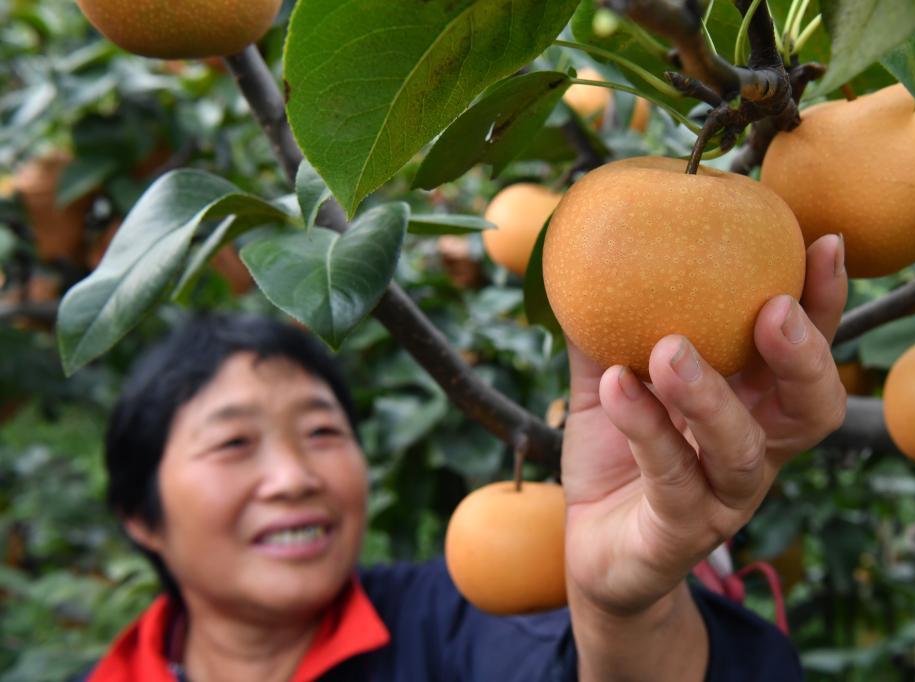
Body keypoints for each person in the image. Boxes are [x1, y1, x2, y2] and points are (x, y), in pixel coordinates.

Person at [80, 234, 848, 681]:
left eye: (320, 432)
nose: (294, 478)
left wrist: (627, 608)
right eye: (233, 444)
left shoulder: (460, 619)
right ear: (139, 514)